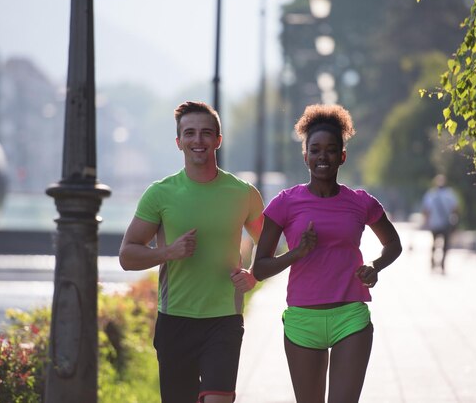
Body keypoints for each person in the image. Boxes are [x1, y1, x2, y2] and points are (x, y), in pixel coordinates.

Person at [252, 104, 402, 403]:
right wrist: (297, 253)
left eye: (331, 150)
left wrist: (375, 265)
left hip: (350, 316)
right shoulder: (284, 203)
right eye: (315, 150)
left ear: (342, 156)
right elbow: (259, 269)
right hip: (302, 319)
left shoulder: (361, 202)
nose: (323, 156)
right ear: (305, 155)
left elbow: (393, 244)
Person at [119, 101, 264, 403]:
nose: (198, 141)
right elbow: (127, 256)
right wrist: (168, 252)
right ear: (178, 142)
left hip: (224, 318)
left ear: (218, 140)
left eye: (206, 133)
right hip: (175, 321)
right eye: (190, 133)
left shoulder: (243, 193)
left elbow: (269, 243)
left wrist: (253, 275)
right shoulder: (160, 193)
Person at [421, 174, 459, 273]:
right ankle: (442, 265)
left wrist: (425, 222)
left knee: (434, 244)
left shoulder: (431, 194)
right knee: (445, 246)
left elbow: (426, 210)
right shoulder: (450, 194)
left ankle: (433, 263)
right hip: (446, 224)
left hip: (434, 224)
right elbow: (455, 209)